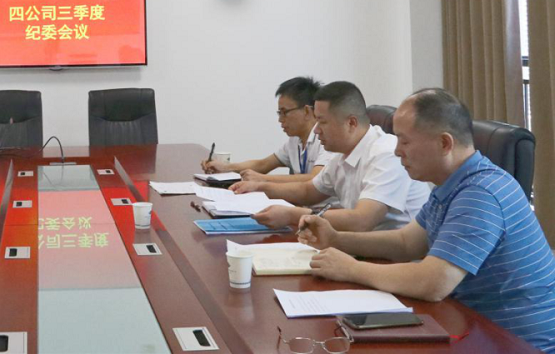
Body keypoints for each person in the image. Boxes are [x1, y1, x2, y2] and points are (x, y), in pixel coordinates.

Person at [299, 88, 555, 353]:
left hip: (516, 343)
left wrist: (351, 269)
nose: (397, 151)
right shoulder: (452, 184)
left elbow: (433, 283)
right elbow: (406, 242)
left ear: (444, 143)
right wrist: (337, 239)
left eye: (405, 141)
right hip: (472, 324)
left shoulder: (480, 193)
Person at [231, 81, 429, 232]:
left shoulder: (386, 153)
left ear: (351, 123)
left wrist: (292, 215)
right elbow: (308, 191)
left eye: (322, 122)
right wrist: (261, 187)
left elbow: (362, 220)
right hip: (362, 249)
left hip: (398, 261)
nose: (316, 130)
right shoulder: (340, 155)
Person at [201, 76, 338, 185]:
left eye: (285, 112)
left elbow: (314, 178)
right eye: (279, 113)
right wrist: (225, 167)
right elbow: (263, 164)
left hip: (327, 210)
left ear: (307, 111)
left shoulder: (325, 139)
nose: (280, 120)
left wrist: (263, 179)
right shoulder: (294, 141)